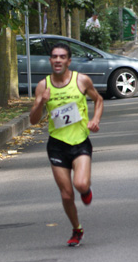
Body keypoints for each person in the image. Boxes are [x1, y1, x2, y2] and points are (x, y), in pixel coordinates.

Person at [29, 43, 103, 247]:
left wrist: (95, 120)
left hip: (79, 142)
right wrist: (41, 102)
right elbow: (33, 120)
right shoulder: (43, 86)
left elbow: (98, 100)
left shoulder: (81, 80)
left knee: (80, 185)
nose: (58, 60)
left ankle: (86, 190)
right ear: (50, 60)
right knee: (66, 194)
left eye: (62, 57)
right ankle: (76, 229)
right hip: (57, 145)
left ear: (69, 61)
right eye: (54, 57)